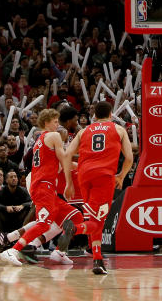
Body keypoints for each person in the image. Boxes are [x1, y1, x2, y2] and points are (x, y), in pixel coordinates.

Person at [0, 109, 91, 268]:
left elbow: (61, 164)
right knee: (44, 224)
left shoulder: (40, 139)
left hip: (46, 186)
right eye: (55, 121)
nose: (58, 124)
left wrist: (83, 166)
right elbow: (65, 160)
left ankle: (60, 252)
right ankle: (13, 250)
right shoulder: (54, 136)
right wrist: (69, 182)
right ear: (47, 122)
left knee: (75, 217)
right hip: (43, 186)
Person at [55, 100, 133, 274]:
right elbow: (129, 158)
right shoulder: (119, 129)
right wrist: (121, 175)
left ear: (94, 116)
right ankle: (75, 229)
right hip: (104, 177)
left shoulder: (84, 131)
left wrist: (68, 182)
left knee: (94, 218)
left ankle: (97, 259)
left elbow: (67, 155)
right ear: (111, 114)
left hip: (84, 176)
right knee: (98, 221)